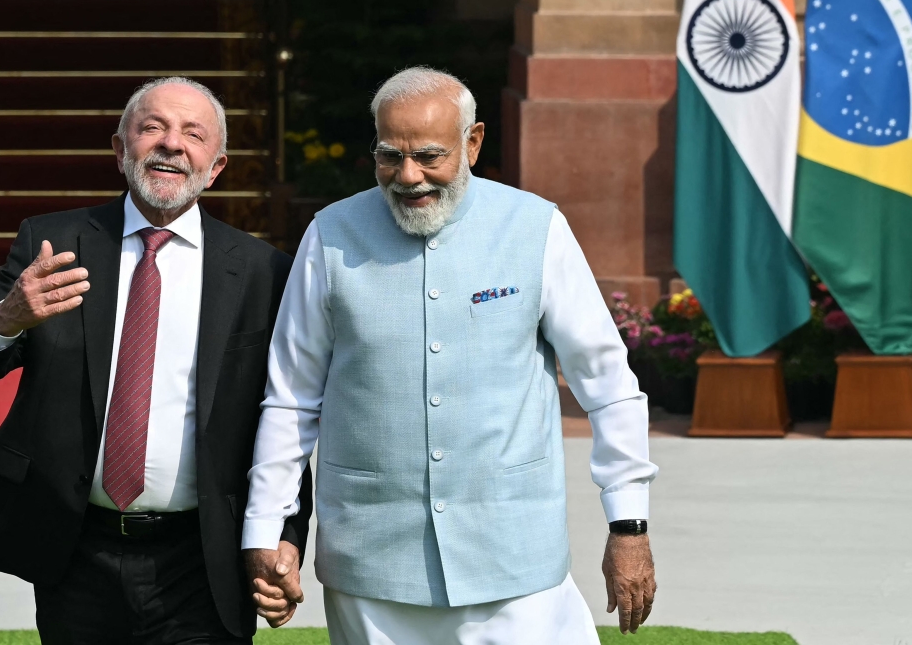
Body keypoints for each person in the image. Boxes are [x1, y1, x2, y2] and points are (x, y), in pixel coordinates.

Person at [242, 66, 659, 644]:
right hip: (372, 560)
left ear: (474, 142)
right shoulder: (330, 234)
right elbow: (290, 400)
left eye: (430, 156)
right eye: (390, 156)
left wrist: (629, 525)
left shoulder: (536, 228)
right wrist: (266, 529)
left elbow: (608, 384)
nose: (408, 176)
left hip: (515, 557)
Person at [0, 76, 312, 644]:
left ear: (216, 167)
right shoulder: (54, 243)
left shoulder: (262, 272)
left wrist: (285, 534)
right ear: (120, 150)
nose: (172, 144)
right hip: (76, 551)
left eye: (193, 133)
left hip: (201, 557)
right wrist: (7, 318)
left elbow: (282, 414)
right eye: (153, 127)